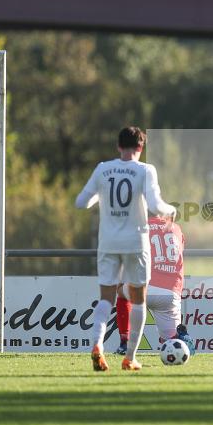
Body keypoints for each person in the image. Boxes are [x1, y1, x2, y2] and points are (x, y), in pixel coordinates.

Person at [75, 126, 175, 372]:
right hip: (135, 243)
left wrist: (101, 194)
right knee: (138, 301)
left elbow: (81, 202)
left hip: (108, 243)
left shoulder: (103, 169)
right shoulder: (145, 170)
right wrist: (171, 210)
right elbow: (155, 205)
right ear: (141, 147)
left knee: (106, 299)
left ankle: (97, 344)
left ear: (118, 146)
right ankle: (130, 357)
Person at [116, 212, 189, 354]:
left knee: (121, 291)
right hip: (170, 293)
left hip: (143, 289)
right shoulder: (176, 228)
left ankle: (125, 343)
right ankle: (180, 339)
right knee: (172, 343)